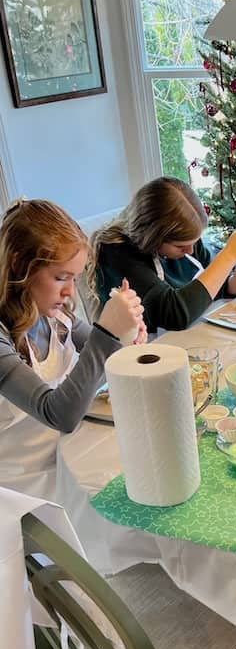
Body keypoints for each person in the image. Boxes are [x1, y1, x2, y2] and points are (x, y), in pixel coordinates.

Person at [0, 198, 145, 501]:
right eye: (60, 277)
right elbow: (59, 414)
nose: (69, 292)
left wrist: (125, 338)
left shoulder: (57, 317)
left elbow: (101, 359)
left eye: (74, 278)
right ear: (17, 265)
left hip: (68, 460)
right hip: (26, 491)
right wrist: (107, 335)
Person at [89, 176, 236, 333]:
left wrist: (232, 284)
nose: (191, 251)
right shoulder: (117, 253)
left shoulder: (186, 241)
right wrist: (229, 254)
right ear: (153, 238)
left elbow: (206, 289)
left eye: (194, 242)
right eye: (181, 246)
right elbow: (175, 313)